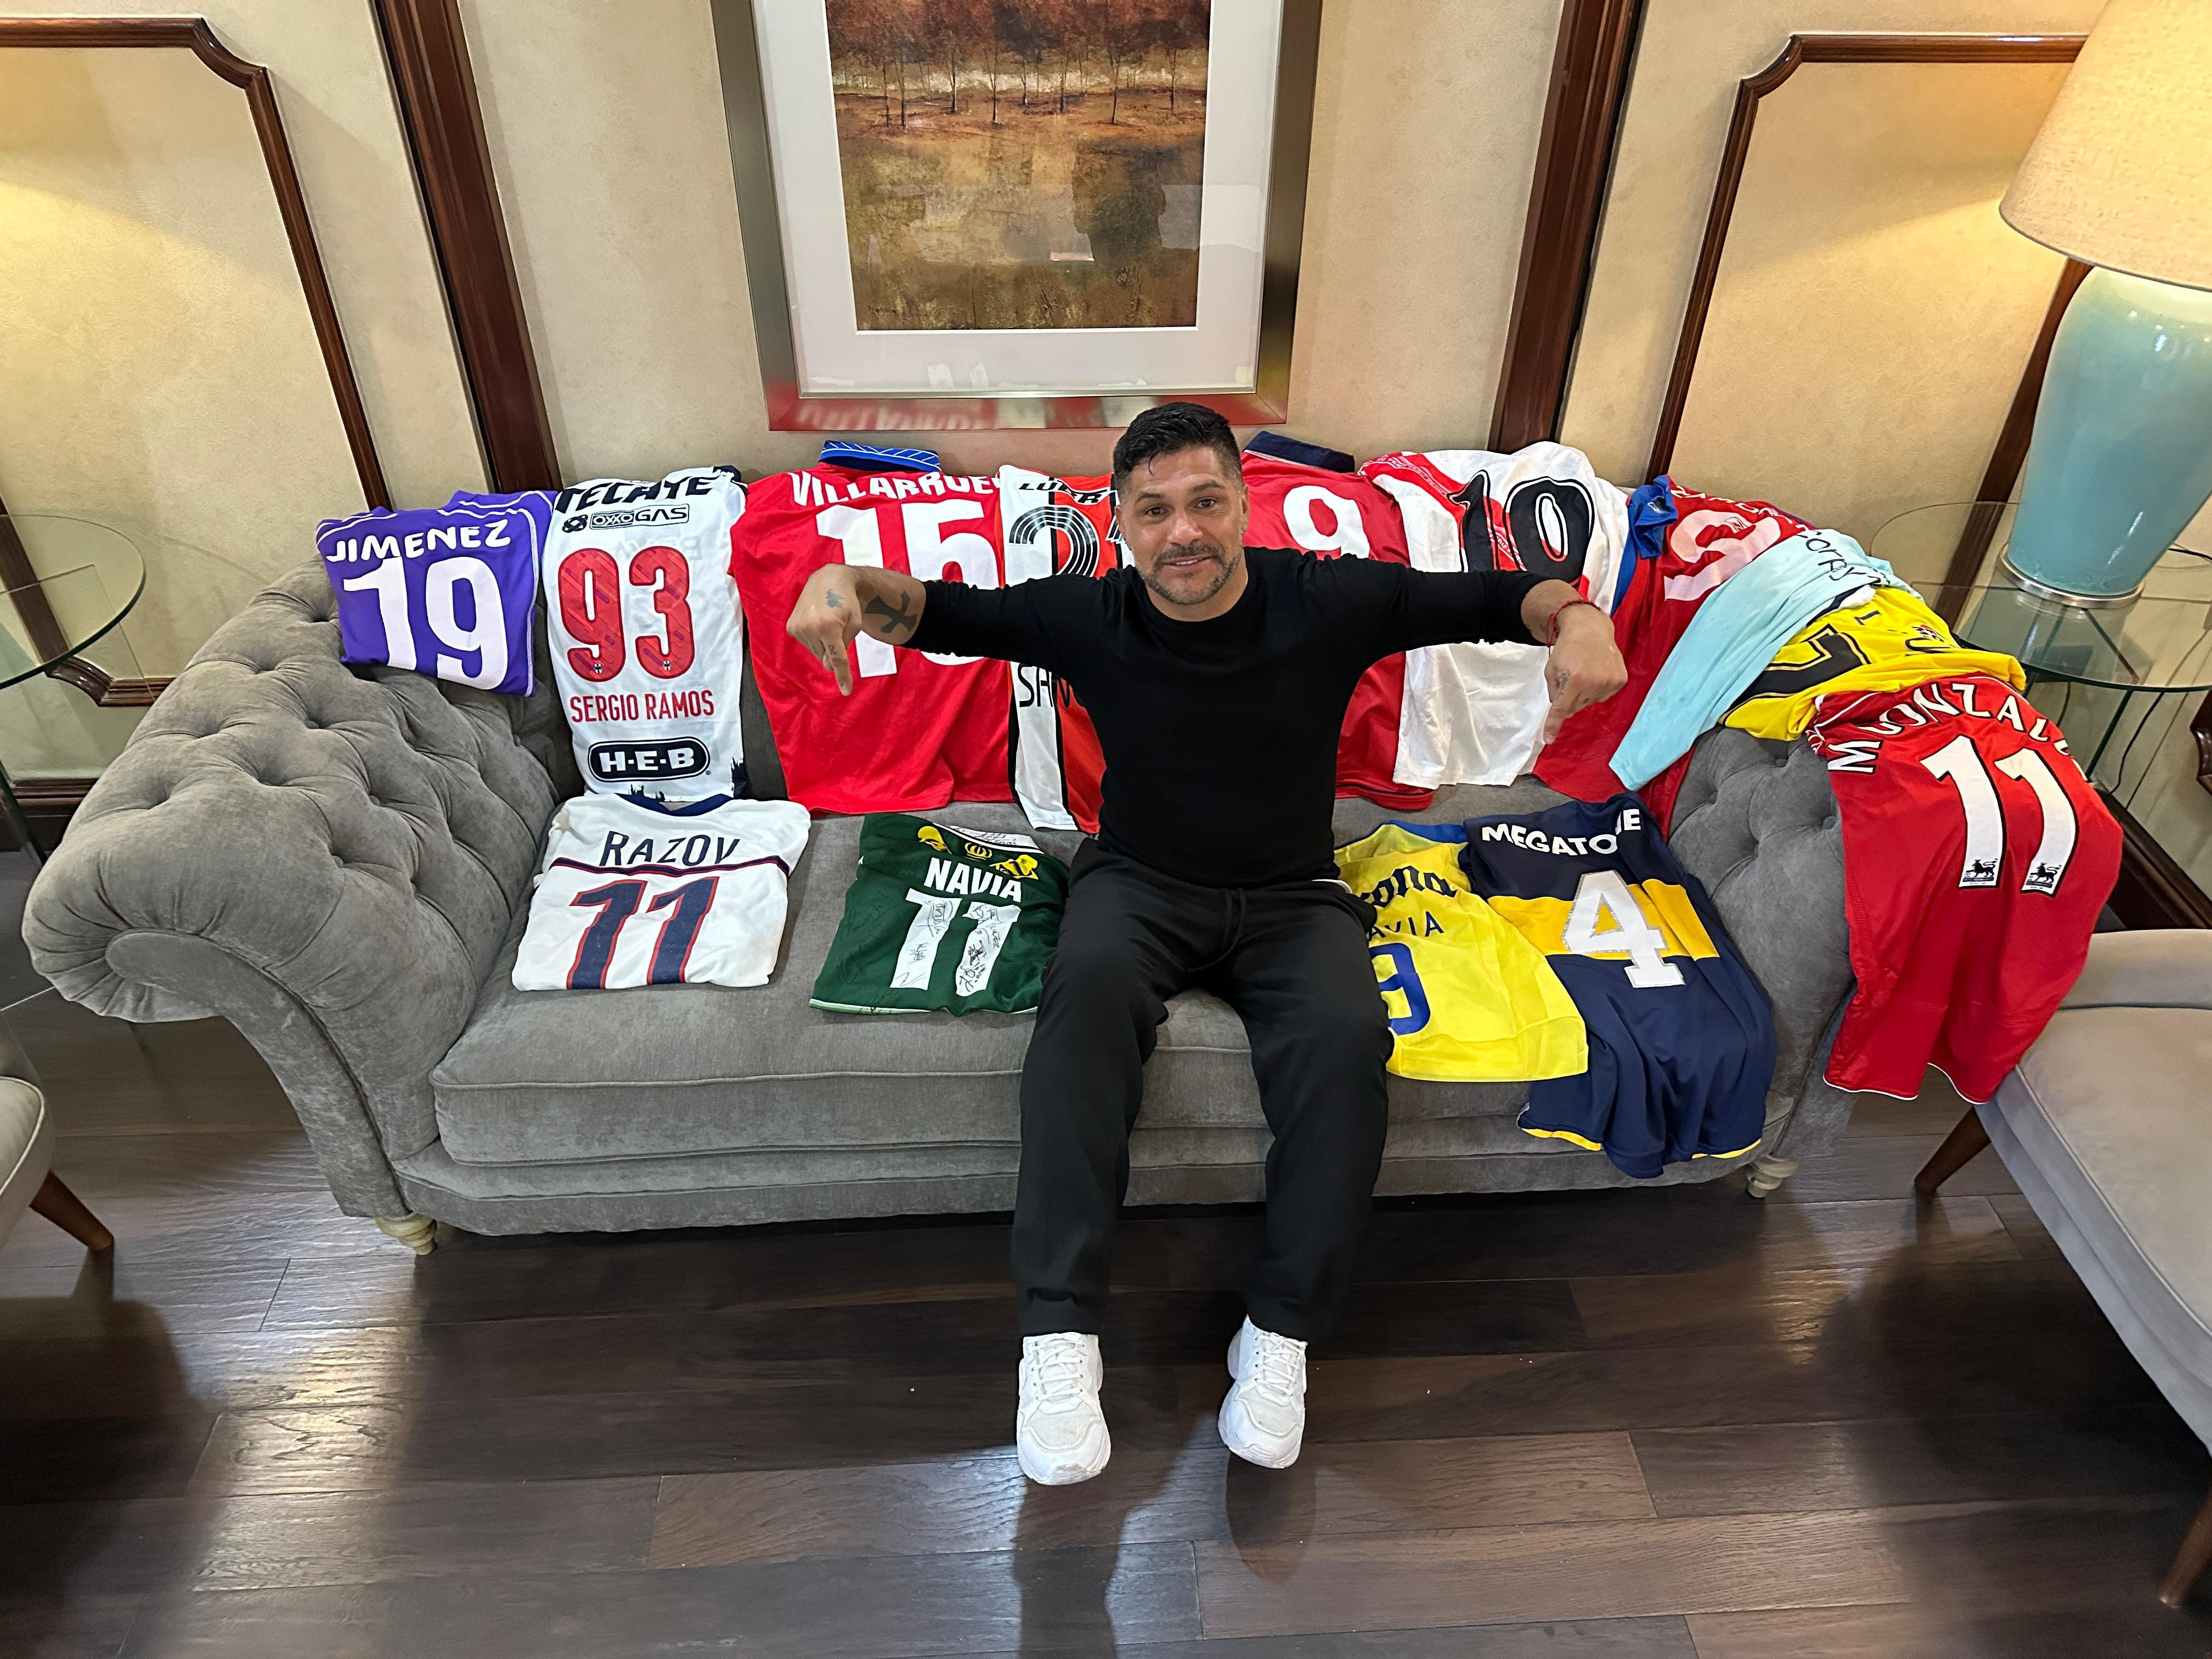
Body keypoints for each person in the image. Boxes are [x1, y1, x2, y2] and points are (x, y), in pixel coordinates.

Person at [785, 404, 1628, 1484]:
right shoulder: (1088, 613)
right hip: (1138, 886)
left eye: (1204, 502)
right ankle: (1058, 1334)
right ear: (1122, 524)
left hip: (1293, 896)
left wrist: (1580, 617)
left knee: (1344, 1042)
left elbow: (1501, 596)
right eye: (1154, 511)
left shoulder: (1325, 598)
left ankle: (1279, 1333)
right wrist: (845, 582)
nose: (1182, 530)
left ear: (1241, 504)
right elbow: (937, 612)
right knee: (1082, 1003)